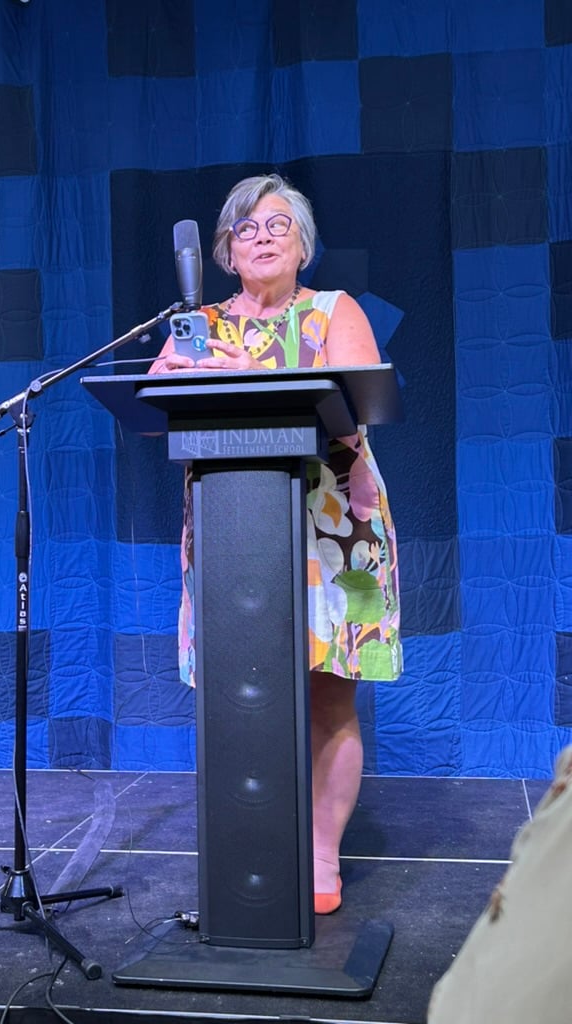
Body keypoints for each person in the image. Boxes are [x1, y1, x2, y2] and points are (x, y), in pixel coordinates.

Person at [150, 173, 402, 914]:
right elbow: (162, 392)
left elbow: (356, 402)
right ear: (225, 251)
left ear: (303, 247)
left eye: (278, 226)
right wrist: (188, 363)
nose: (261, 237)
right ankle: (249, 853)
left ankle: (323, 857)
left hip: (339, 534)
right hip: (235, 533)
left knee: (331, 696)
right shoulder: (197, 325)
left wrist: (254, 366)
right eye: (246, 229)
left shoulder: (333, 310)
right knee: (242, 698)